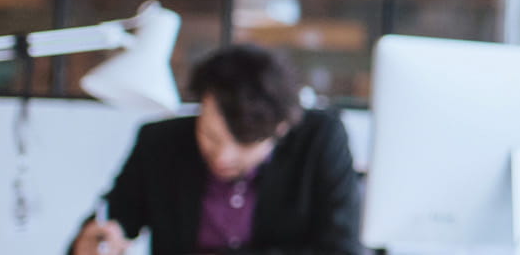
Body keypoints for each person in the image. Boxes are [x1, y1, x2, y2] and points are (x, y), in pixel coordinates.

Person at [68, 45, 362, 255]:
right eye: (210, 136)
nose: (222, 157)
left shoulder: (319, 139)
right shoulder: (160, 143)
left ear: (280, 129)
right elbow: (113, 218)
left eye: (244, 144)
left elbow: (342, 248)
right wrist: (93, 243)